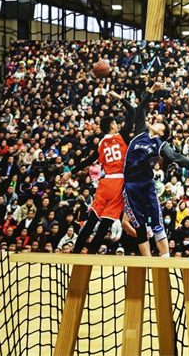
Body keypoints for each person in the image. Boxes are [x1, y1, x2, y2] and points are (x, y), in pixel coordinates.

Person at [122, 82, 189, 257]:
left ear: (161, 133)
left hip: (146, 185)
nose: (157, 121)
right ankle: (148, 261)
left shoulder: (160, 144)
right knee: (139, 226)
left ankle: (165, 259)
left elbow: (175, 157)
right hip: (130, 185)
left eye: (160, 124)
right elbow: (141, 108)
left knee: (156, 223)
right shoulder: (140, 131)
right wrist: (151, 90)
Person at [66, 91, 136, 255]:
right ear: (112, 126)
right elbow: (132, 112)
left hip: (105, 183)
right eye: (115, 123)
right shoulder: (122, 136)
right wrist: (119, 97)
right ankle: (91, 254)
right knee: (105, 225)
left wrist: (71, 173)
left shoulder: (101, 144)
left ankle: (76, 252)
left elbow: (88, 160)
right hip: (119, 183)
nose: (118, 125)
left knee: (91, 221)